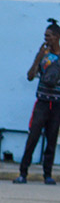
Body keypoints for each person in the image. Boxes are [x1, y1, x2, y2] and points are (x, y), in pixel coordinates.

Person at [14, 18, 60, 185]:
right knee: (32, 137)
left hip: (57, 105)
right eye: (45, 36)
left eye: (48, 36)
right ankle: (23, 173)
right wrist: (38, 58)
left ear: (57, 36)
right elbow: (30, 76)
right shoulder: (43, 55)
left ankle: (47, 175)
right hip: (41, 103)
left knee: (52, 139)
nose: (45, 39)